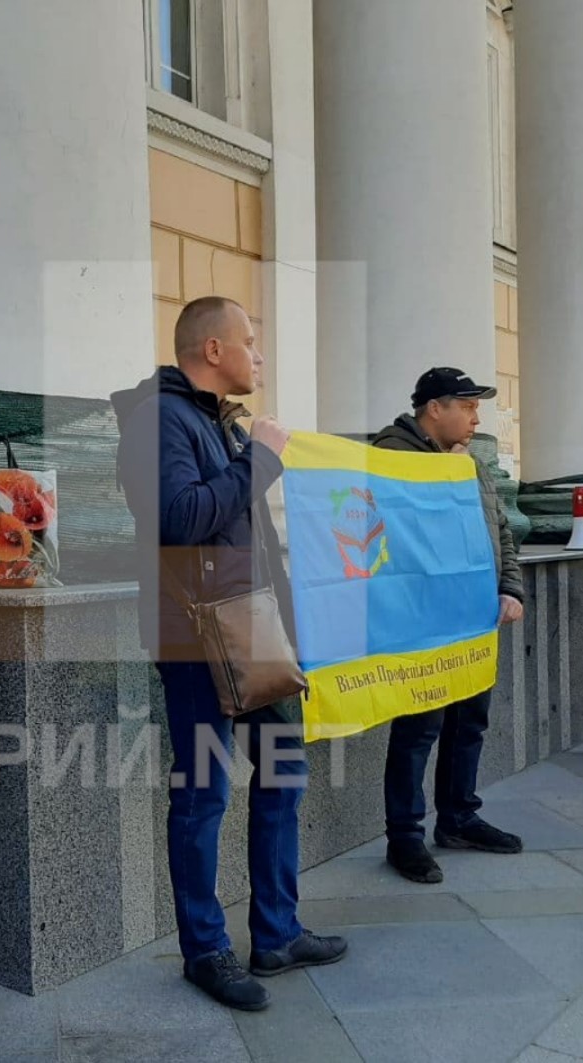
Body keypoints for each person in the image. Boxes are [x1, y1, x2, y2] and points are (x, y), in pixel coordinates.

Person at [112, 296, 347, 1012]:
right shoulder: (158, 418)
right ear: (212, 350)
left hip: (253, 630)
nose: (260, 355)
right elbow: (179, 519)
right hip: (194, 638)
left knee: (283, 775)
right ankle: (205, 949)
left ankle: (275, 933)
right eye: (251, 340)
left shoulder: (218, 420)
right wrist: (260, 460)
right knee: (204, 795)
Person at [370, 368, 526, 884]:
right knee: (419, 729)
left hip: (475, 615)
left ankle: (459, 817)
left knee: (469, 722)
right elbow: (388, 538)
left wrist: (510, 587)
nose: (476, 415)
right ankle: (405, 837)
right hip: (423, 619)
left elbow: (499, 528)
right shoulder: (390, 456)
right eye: (467, 404)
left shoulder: (470, 463)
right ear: (434, 408)